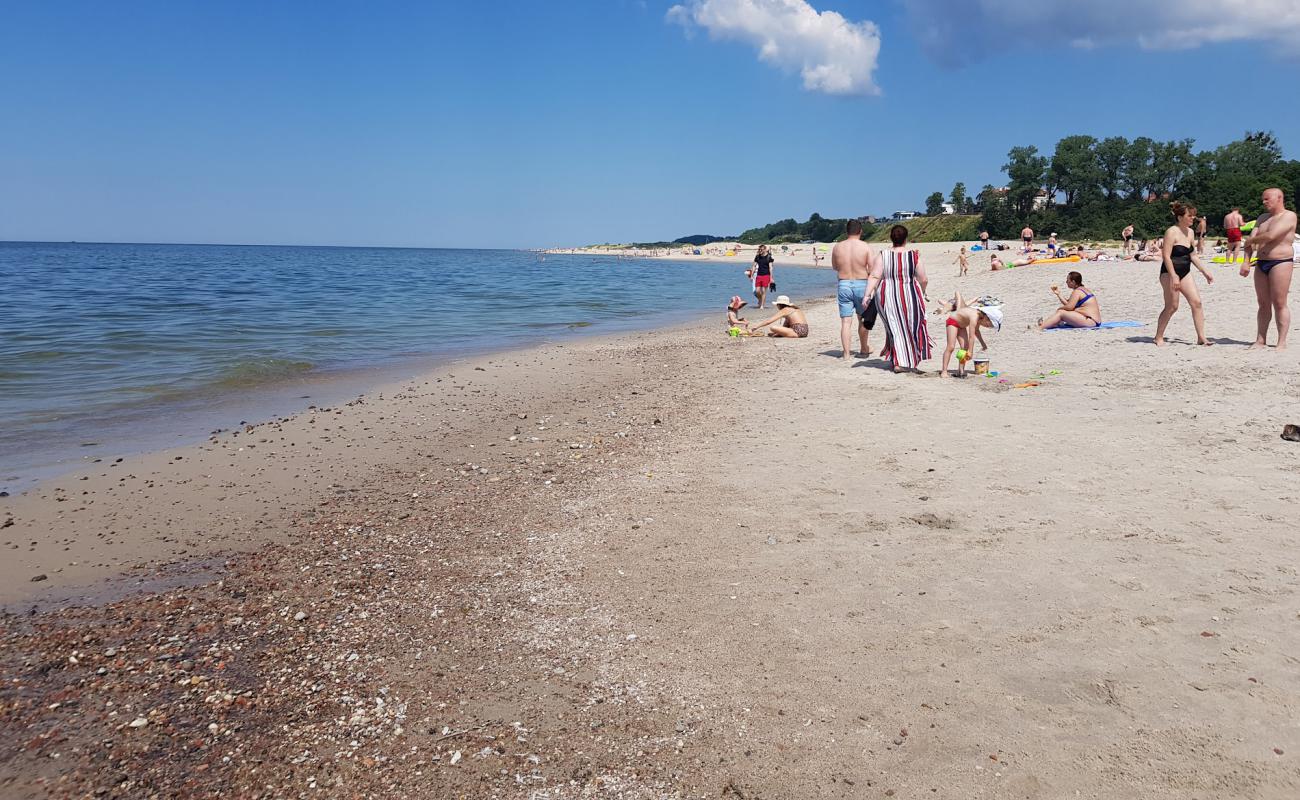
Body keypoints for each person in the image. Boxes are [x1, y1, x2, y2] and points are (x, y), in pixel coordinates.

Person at [865, 225, 931, 373]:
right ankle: (903, 361)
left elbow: (875, 276)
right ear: (906, 239)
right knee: (910, 327)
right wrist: (924, 291)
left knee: (894, 327)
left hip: (885, 296)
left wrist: (867, 294)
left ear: (891, 238)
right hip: (909, 294)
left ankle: (896, 359)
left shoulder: (884, 254)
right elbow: (923, 278)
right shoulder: (914, 256)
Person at [1241, 187, 1297, 351]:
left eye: (1267, 199)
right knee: (1263, 303)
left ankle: (1281, 341)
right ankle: (1260, 339)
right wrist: (1246, 261)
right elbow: (1250, 241)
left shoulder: (1289, 216)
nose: (1264, 202)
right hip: (1261, 262)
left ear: (1279, 198)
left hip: (1280, 261)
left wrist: (1251, 240)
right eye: (1263, 199)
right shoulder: (1262, 218)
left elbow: (1271, 236)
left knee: (1280, 302)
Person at [1155, 201, 1215, 347]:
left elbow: (1192, 255)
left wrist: (1205, 271)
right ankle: (1158, 337)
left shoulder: (1190, 232)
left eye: (1193, 216)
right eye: (1190, 216)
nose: (1192, 219)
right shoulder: (1171, 232)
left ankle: (1201, 338)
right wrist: (1174, 275)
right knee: (1172, 306)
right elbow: (1166, 256)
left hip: (1185, 271)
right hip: (1169, 273)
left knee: (1197, 303)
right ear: (1180, 217)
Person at [830, 218, 879, 359]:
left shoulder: (838, 247)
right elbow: (872, 269)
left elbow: (835, 266)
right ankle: (864, 348)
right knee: (863, 318)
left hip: (844, 283)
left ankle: (846, 353)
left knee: (846, 321)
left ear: (846, 231)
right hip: (861, 283)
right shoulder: (865, 247)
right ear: (860, 231)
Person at [938, 292, 1001, 378]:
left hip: (961, 326)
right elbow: (971, 336)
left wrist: (983, 344)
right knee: (951, 347)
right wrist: (970, 352)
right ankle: (944, 371)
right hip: (952, 321)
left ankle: (961, 371)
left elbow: (977, 331)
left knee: (964, 347)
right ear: (987, 318)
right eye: (987, 325)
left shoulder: (980, 318)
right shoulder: (974, 317)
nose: (986, 326)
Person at [750, 245, 775, 309]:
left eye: (761, 249)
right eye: (759, 249)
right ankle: (760, 300)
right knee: (757, 291)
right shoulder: (757, 257)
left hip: (766, 275)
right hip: (759, 275)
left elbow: (771, 268)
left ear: (765, 249)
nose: (760, 251)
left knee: (764, 291)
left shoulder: (769, 257)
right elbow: (754, 266)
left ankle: (762, 305)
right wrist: (751, 275)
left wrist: (771, 278)